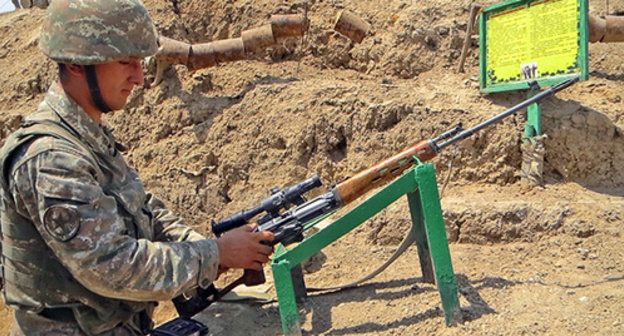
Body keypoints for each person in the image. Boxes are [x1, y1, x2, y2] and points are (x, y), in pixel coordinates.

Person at [0, 0, 275, 334]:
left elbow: (144, 210)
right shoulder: (51, 158)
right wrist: (214, 254)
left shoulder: (88, 137)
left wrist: (207, 248)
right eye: (126, 62)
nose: (140, 77)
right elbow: (111, 265)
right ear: (75, 64)